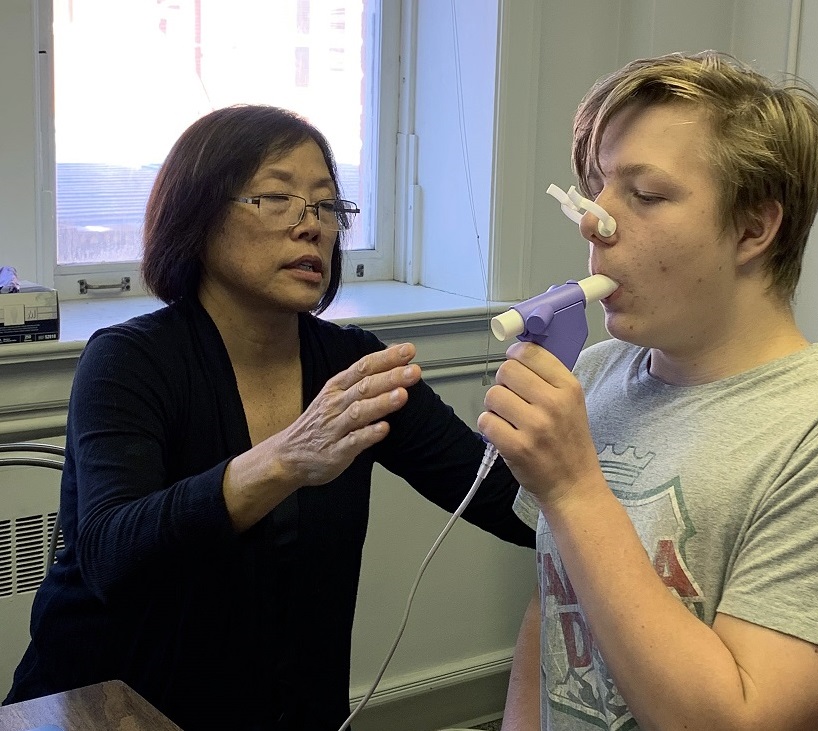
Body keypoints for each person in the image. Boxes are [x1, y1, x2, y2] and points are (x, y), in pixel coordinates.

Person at [3, 104, 534, 730]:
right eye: (278, 198)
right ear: (198, 216)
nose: (312, 227)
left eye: (326, 206)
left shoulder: (354, 368)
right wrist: (283, 460)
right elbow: (111, 560)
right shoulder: (128, 360)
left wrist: (589, 470)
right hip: (106, 706)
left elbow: (505, 501)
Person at [478, 51, 818, 731]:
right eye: (598, 187)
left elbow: (735, 719)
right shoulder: (595, 375)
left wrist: (574, 489)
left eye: (645, 194)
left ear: (753, 228)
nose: (594, 221)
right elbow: (551, 609)